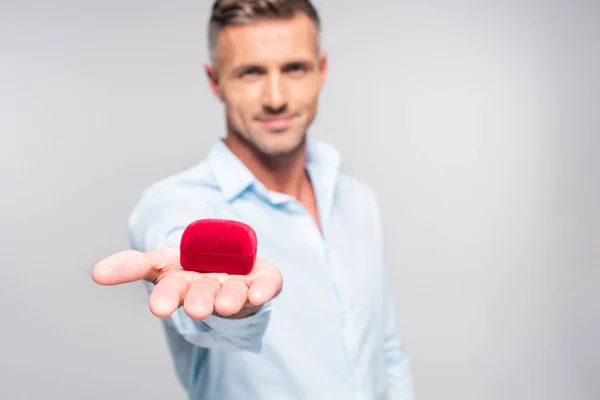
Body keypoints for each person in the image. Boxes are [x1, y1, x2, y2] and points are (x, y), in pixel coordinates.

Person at [92, 0, 415, 399]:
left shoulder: (357, 200)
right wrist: (235, 308)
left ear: (322, 70)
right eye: (251, 72)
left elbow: (387, 350)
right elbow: (199, 308)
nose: (276, 97)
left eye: (294, 68)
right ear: (215, 81)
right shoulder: (174, 204)